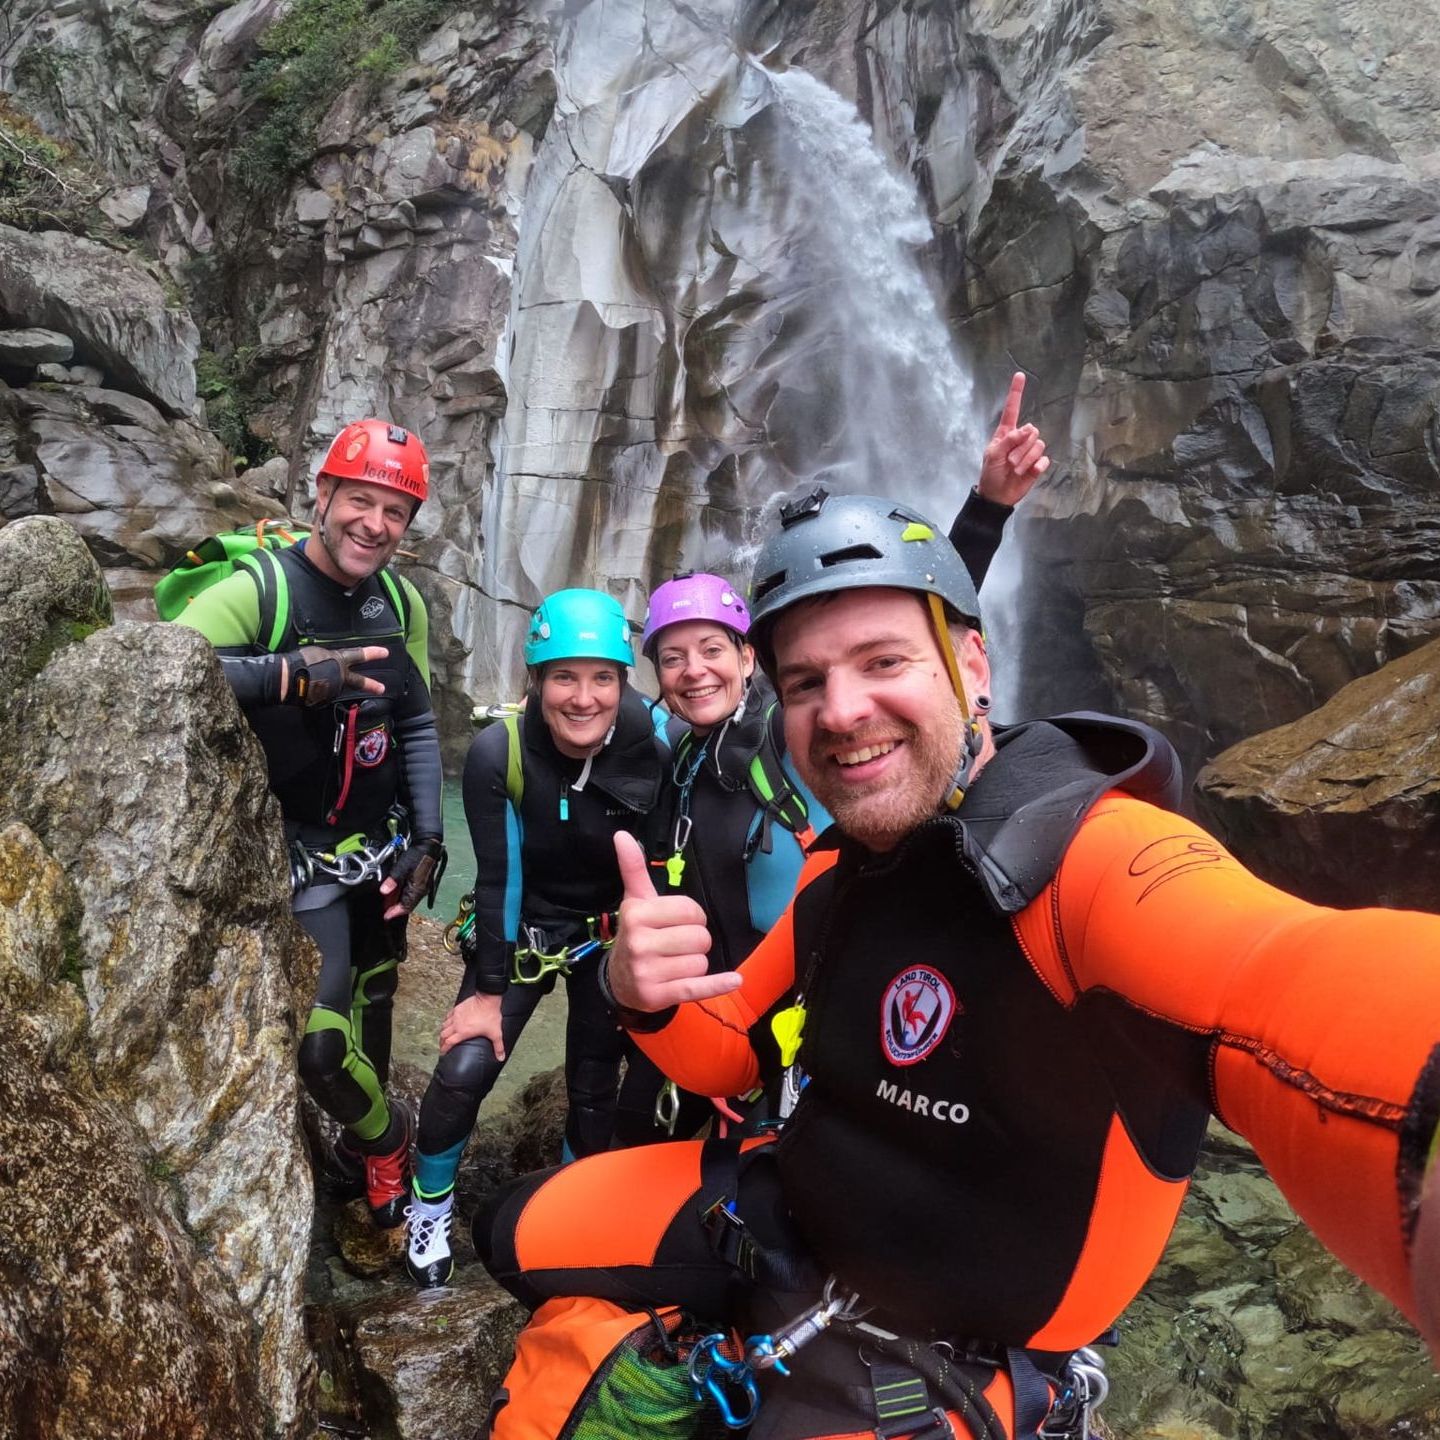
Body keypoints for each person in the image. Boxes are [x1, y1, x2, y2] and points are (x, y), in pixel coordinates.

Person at [474, 488, 1440, 1440]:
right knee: (507, 1235)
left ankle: (1047, 1402)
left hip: (955, 1341)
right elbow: (729, 1051)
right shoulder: (841, 861)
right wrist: (641, 996)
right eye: (806, 682)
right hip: (790, 1218)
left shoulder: (1090, 861)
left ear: (971, 663)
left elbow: (1281, 978)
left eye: (883, 660)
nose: (843, 710)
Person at [612, 372, 1051, 1143]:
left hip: (801, 1020)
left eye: (713, 650)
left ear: (754, 663)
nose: (694, 671)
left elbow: (906, 627)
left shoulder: (789, 727)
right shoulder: (676, 751)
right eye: (673, 658)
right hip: (716, 1011)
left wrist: (987, 510)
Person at [180, 418, 445, 1230]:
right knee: (321, 1047)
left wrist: (432, 838)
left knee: (375, 1000)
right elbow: (157, 666)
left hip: (382, 847)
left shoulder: (401, 602)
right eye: (359, 500)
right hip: (297, 856)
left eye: (395, 511)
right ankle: (391, 1135)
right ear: (322, 496)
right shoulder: (260, 590)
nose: (375, 524)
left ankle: (360, 1165)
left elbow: (417, 725)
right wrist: (288, 675)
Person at [404, 588, 666, 1287]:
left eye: (602, 677)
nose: (583, 697)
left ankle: (571, 1206)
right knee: (462, 1072)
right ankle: (427, 1207)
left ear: (623, 682)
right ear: (536, 681)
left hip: (608, 938)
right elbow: (501, 877)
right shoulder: (502, 751)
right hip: (524, 927)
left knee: (592, 1088)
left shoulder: (657, 742)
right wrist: (489, 992)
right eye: (564, 676)